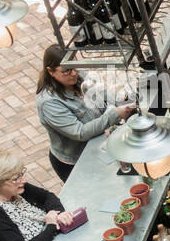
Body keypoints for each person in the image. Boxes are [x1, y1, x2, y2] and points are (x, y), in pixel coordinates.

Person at [35, 44, 136, 181]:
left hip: (98, 146)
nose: (74, 73)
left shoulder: (76, 75)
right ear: (50, 71)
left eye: (74, 67)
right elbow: (80, 132)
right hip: (76, 161)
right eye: (66, 71)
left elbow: (101, 95)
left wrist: (121, 101)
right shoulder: (48, 102)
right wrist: (114, 115)